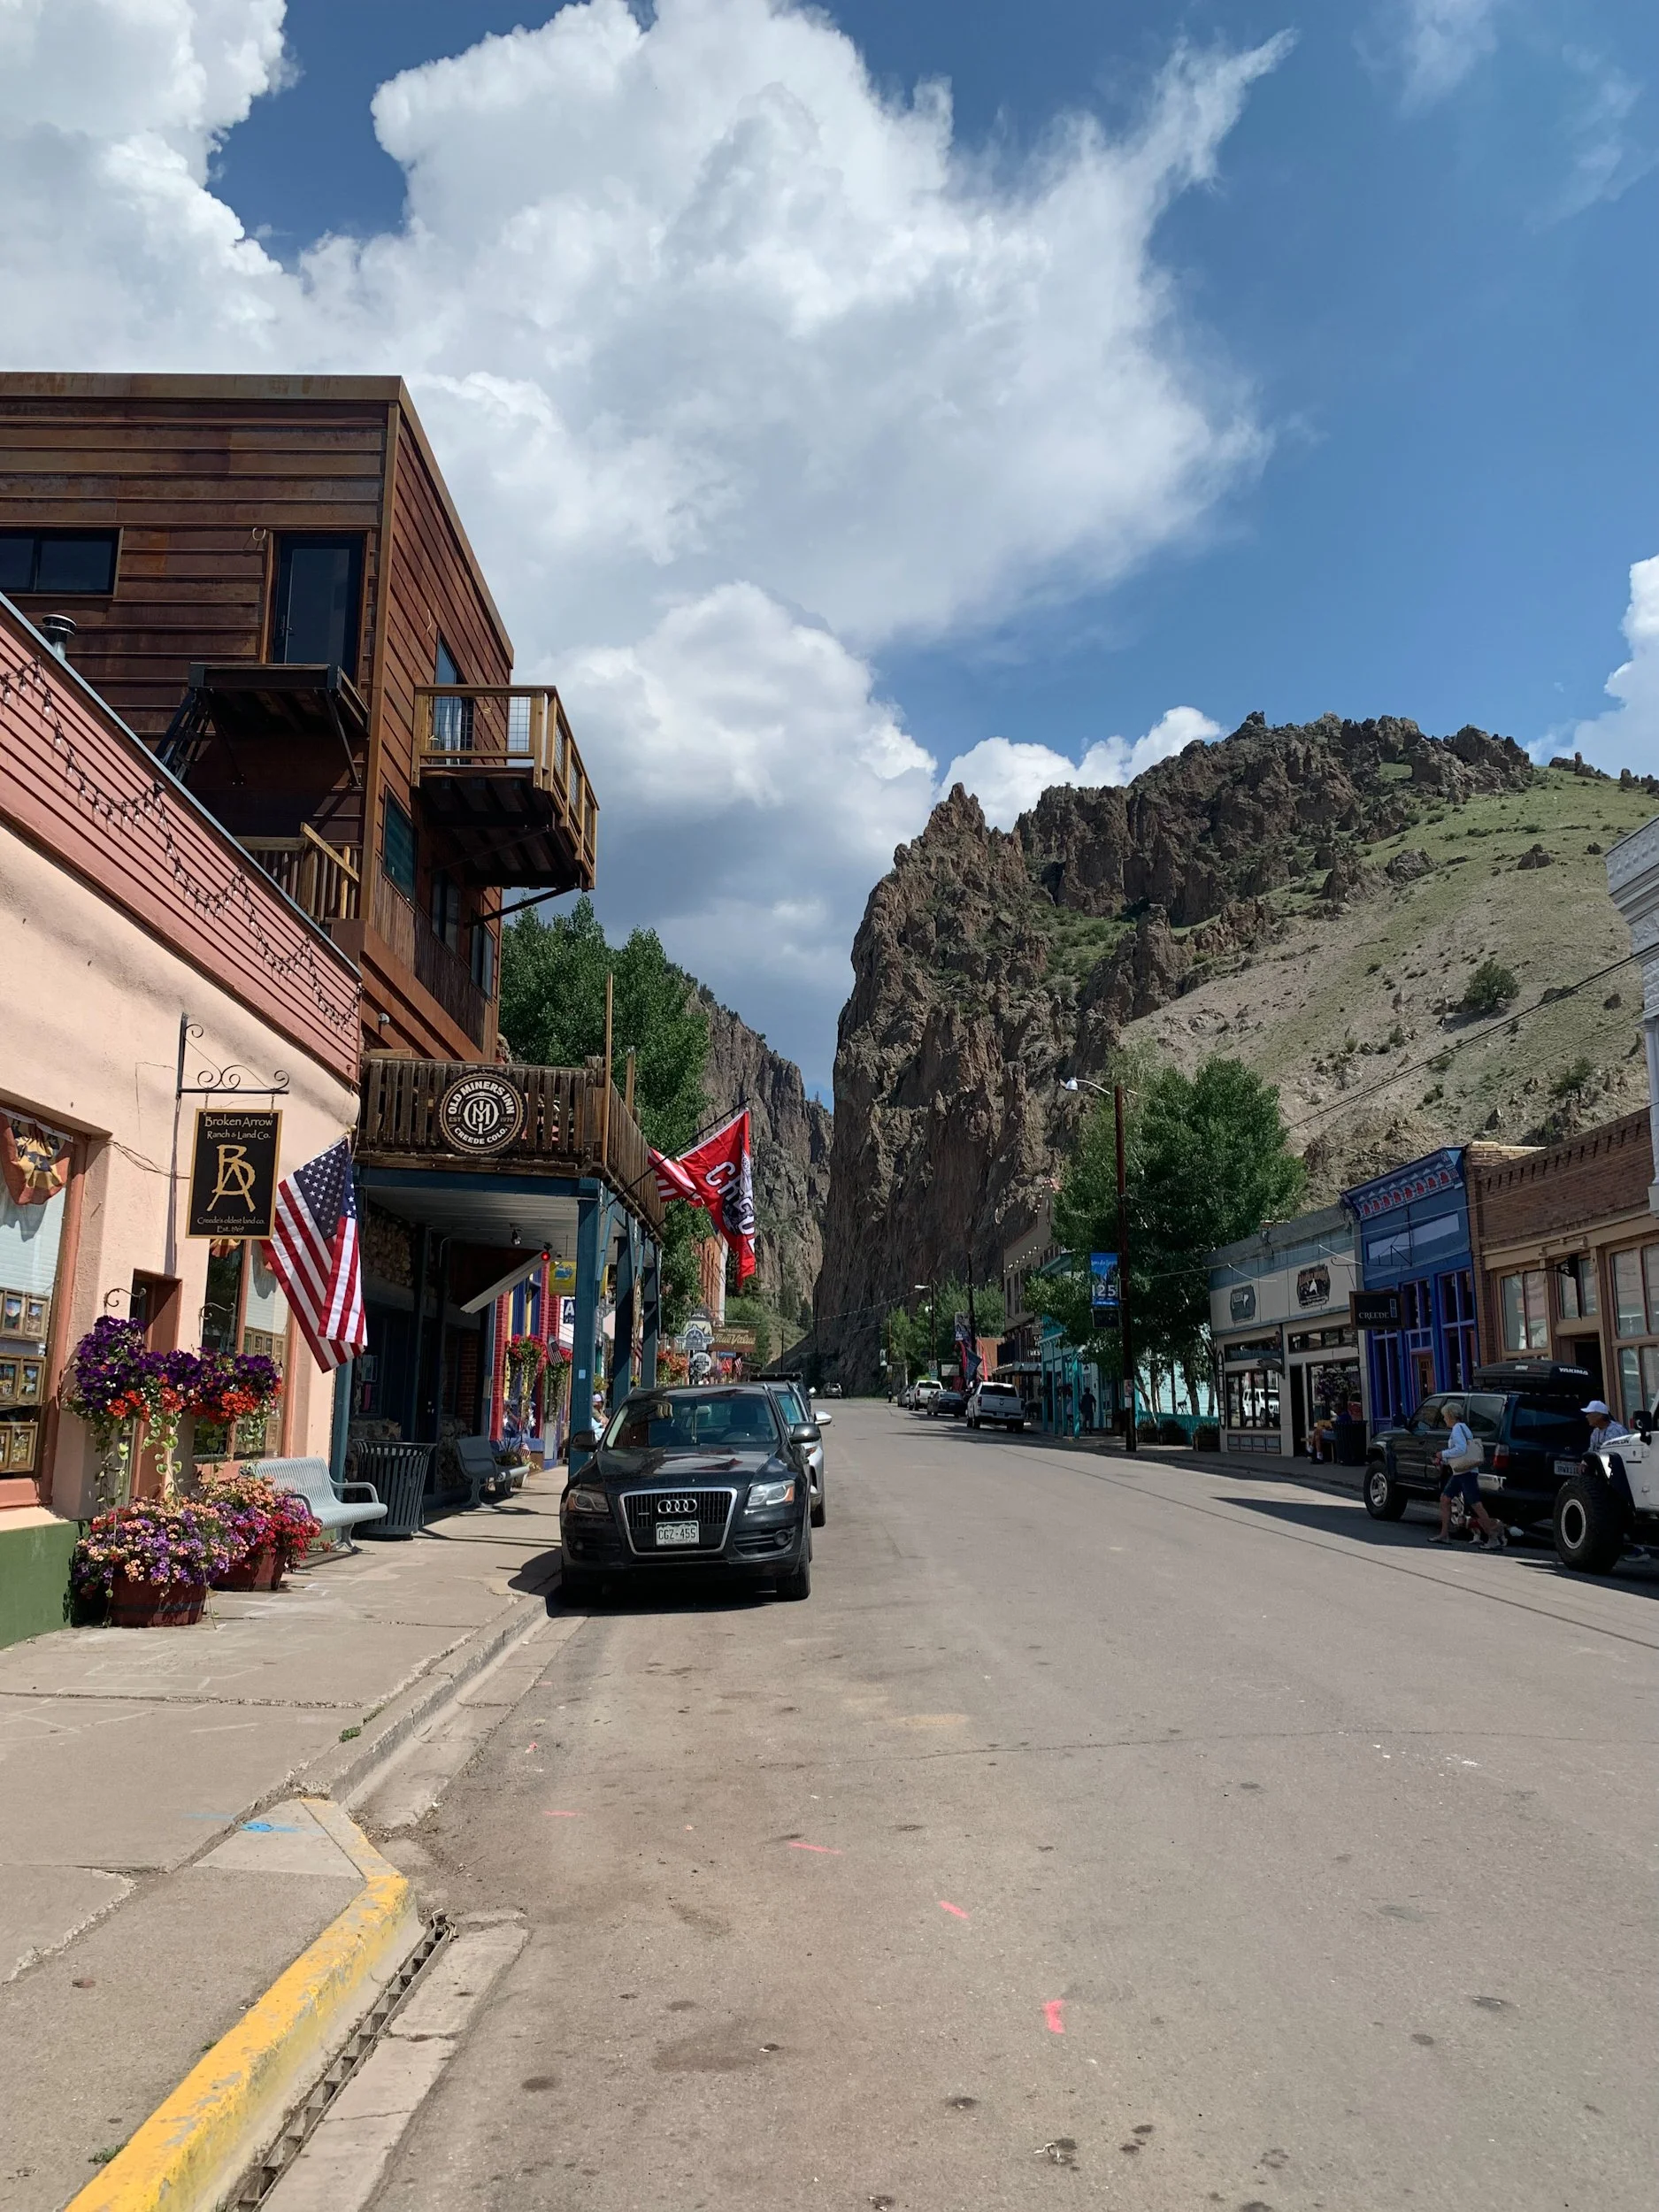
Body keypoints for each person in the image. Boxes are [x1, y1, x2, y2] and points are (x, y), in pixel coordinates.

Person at [1430, 1400, 1506, 1549]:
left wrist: (1442, 1454)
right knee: (1445, 1499)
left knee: (1475, 1504)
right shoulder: (1463, 1428)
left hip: (1465, 1473)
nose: (1444, 1419)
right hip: (1462, 1472)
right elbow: (1461, 1454)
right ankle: (1444, 1534)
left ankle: (1493, 1537)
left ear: (1450, 1415)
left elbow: (1461, 1449)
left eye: (1445, 1416)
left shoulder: (1457, 1429)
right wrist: (1443, 1459)